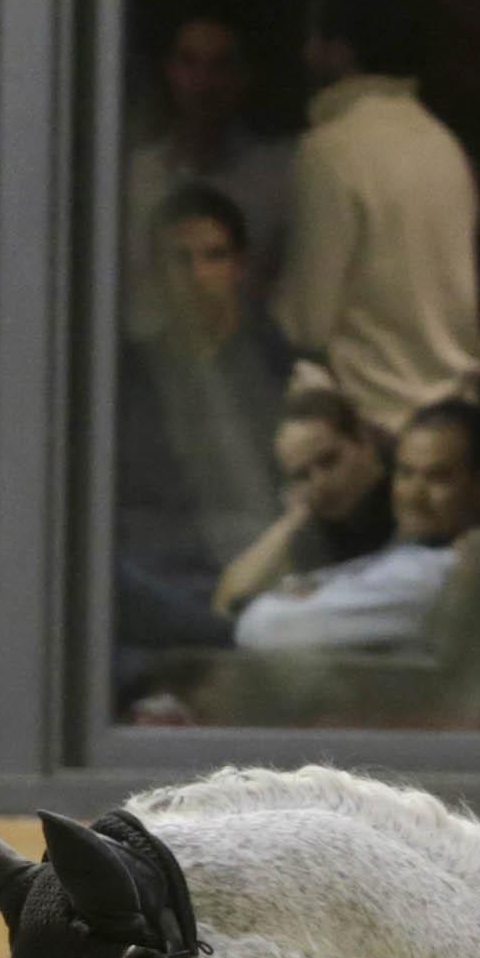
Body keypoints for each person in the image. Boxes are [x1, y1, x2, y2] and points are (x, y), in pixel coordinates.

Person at [275, 0, 480, 438]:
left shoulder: (331, 150)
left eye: (315, 38)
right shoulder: (443, 143)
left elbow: (306, 322)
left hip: (375, 425)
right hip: (455, 422)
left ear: (341, 50)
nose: (306, 53)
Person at [114, 182, 302, 657]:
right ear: (154, 273)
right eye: (180, 259)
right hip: (147, 581)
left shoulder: (284, 375)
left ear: (238, 268)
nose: (197, 274)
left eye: (213, 256)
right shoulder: (123, 377)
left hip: (247, 575)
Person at [233, 398, 480, 656]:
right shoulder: (418, 551)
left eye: (438, 478)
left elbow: (259, 626)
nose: (414, 495)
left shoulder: (438, 572)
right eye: (406, 473)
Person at [119, 9, 297, 339]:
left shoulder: (276, 181)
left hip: (245, 371)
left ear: (243, 76)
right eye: (189, 63)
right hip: (141, 370)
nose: (203, 83)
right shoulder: (131, 180)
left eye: (220, 66)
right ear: (170, 71)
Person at [209, 391, 393, 628]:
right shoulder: (313, 512)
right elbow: (227, 603)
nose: (319, 483)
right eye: (302, 475)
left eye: (329, 461)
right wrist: (293, 520)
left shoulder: (412, 476)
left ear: (363, 442)